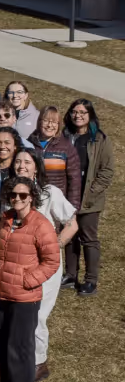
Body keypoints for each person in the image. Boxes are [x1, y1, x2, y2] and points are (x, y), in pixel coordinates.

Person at [0, 177, 60, 382]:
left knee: (19, 345)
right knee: (1, 343)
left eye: (23, 195)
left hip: (24, 297)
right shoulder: (6, 219)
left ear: (32, 197)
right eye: (13, 195)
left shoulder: (41, 225)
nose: (17, 199)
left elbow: (52, 261)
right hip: (0, 291)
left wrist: (28, 280)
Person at [11, 149, 77, 382]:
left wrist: (56, 245)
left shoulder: (49, 193)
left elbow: (72, 224)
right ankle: (21, 356)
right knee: (20, 314)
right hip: (18, 263)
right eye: (18, 161)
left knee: (37, 314)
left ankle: (39, 363)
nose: (21, 165)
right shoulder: (11, 192)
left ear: (36, 167)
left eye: (27, 162)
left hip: (44, 265)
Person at [63, 99, 114, 297]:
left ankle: (91, 280)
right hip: (68, 195)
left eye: (83, 112)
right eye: (75, 112)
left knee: (88, 238)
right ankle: (70, 275)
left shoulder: (100, 139)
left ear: (90, 115)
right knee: (70, 235)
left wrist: (92, 191)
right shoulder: (65, 135)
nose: (78, 116)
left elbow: (107, 170)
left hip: (89, 198)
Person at [28, 106, 81, 209]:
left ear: (59, 125)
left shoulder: (66, 147)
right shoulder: (29, 144)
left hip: (56, 204)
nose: (49, 125)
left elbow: (75, 181)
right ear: (39, 122)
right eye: (46, 121)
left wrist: (72, 208)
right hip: (32, 201)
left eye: (54, 122)